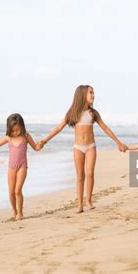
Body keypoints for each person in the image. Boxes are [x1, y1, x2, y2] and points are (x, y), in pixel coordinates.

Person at [40, 85, 127, 213]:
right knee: (80, 177)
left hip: (90, 146)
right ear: (82, 95)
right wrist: (45, 141)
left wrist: (118, 142)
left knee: (90, 174)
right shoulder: (72, 113)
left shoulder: (93, 113)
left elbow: (106, 128)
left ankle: (88, 200)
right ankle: (80, 204)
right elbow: (58, 128)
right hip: (78, 148)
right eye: (90, 93)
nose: (93, 95)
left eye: (93, 93)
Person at [0, 113, 42, 221]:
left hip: (22, 166)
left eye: (18, 130)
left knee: (18, 190)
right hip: (11, 168)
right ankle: (14, 211)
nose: (15, 132)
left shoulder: (26, 136)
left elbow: (35, 147)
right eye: (13, 130)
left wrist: (40, 145)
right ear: (9, 129)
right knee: (11, 192)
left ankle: (20, 213)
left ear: (22, 126)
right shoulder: (8, 138)